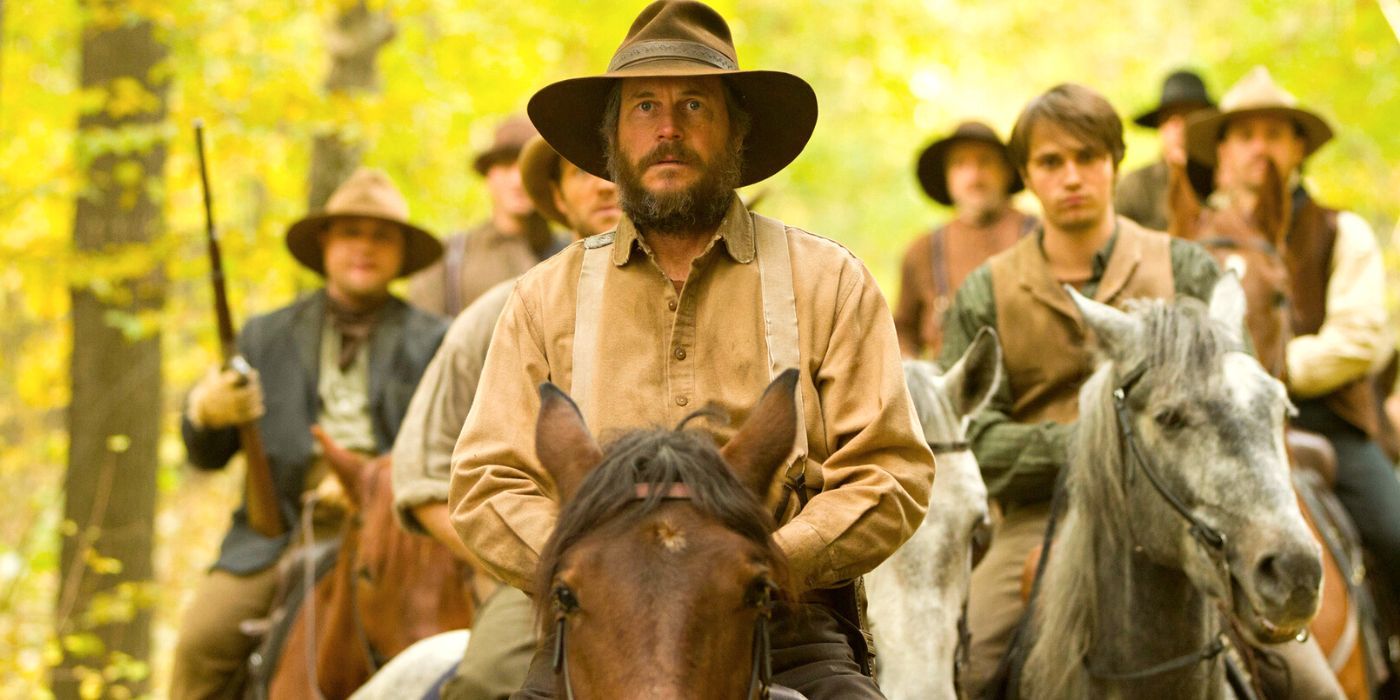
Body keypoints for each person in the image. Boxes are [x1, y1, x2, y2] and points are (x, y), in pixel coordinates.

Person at [448, 2, 934, 697]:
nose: (668, 130)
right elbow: (485, 483)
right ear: (613, 137)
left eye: (694, 106)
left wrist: (765, 561)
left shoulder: (829, 280)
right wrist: (590, 564)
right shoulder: (541, 298)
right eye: (645, 107)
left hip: (781, 624)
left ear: (736, 130)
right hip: (598, 623)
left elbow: (890, 471)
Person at [171, 168, 447, 698]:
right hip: (277, 535)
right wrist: (205, 412)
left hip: (398, 537)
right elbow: (205, 456)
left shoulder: (435, 340)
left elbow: (448, 446)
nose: (364, 248)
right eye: (350, 233)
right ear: (325, 243)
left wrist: (371, 487)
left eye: (381, 236)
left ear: (399, 254)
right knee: (200, 642)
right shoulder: (264, 334)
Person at [391, 136, 619, 699]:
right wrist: (543, 569)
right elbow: (420, 476)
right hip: (539, 580)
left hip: (701, 565)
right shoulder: (498, 314)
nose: (603, 182)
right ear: (557, 200)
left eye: (615, 166)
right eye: (579, 170)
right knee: (488, 681)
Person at [1186, 66, 1400, 598]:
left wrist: (1267, 372)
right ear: (1223, 151)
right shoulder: (1192, 238)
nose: (1261, 148)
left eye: (1275, 134)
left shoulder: (1339, 229)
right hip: (1216, 429)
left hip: (1328, 423)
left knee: (1395, 536)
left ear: (1299, 147)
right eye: (1246, 135)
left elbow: (1358, 341)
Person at [895, 120, 1033, 358]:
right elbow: (902, 330)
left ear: (1007, 171)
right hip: (947, 388)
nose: (974, 176)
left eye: (985, 162)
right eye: (960, 164)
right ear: (947, 177)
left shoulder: (1039, 236)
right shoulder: (923, 249)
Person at [408, 115, 565, 316]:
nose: (518, 180)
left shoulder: (567, 254)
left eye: (526, 168)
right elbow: (425, 337)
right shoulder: (450, 258)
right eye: (507, 167)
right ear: (488, 175)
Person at [1115, 69, 1215, 231]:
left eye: (1189, 116)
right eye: (1170, 119)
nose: (1179, 128)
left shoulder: (1220, 181)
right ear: (1160, 125)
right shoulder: (1136, 185)